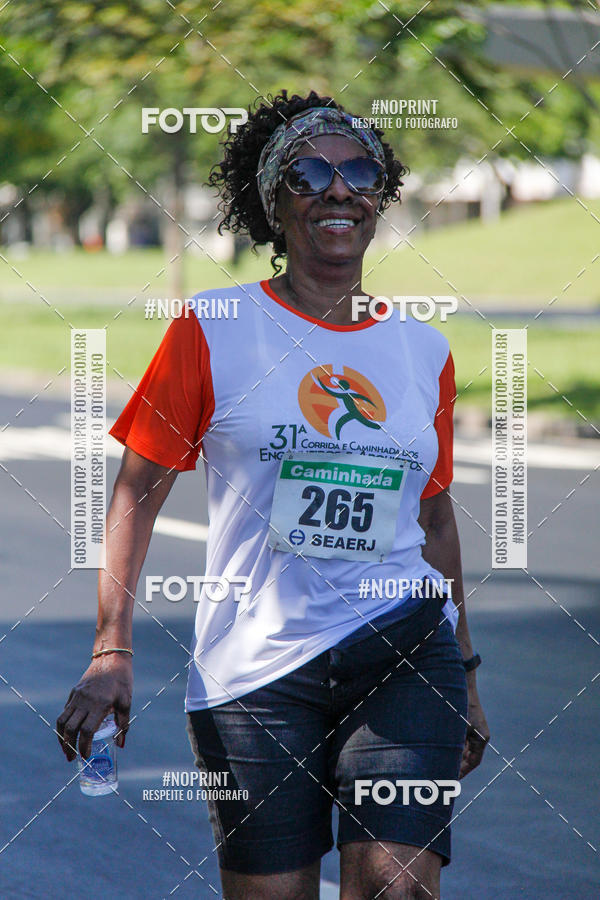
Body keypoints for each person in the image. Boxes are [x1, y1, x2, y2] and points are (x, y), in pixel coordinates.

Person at [57, 89, 490, 900]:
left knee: (398, 888)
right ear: (272, 202)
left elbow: (434, 516)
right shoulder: (212, 326)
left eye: (359, 173)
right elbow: (137, 492)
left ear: (380, 197)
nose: (338, 190)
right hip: (256, 672)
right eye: (309, 175)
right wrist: (111, 650)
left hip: (404, 648)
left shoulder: (424, 349)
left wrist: (463, 671)